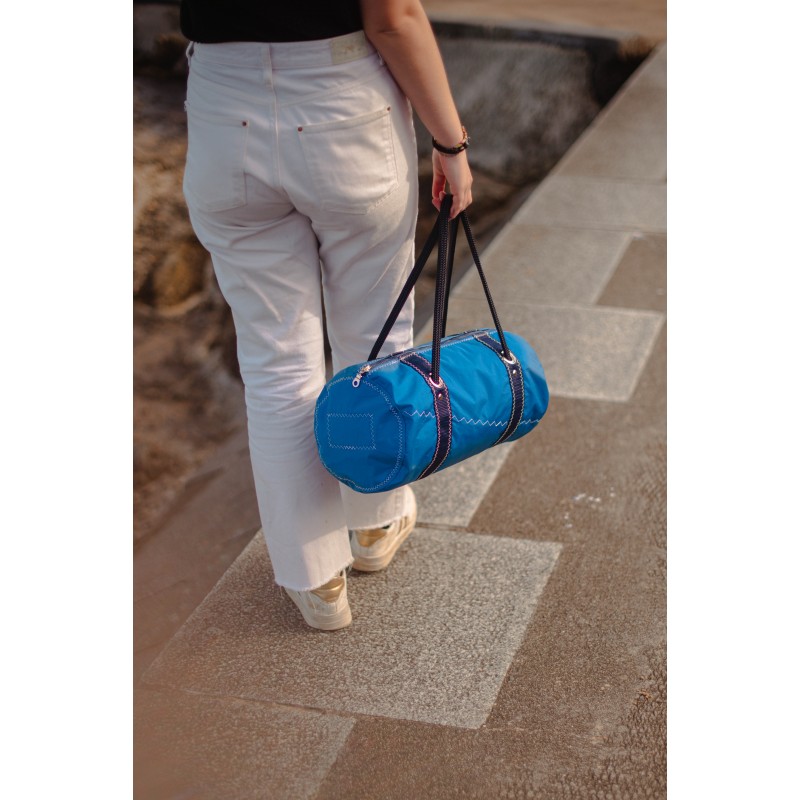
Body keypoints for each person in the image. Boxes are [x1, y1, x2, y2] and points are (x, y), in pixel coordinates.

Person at [179, 0, 473, 630]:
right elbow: (393, 17)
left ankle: (315, 580)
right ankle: (374, 523)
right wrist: (450, 141)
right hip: (342, 103)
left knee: (275, 360)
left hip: (222, 105)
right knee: (374, 333)